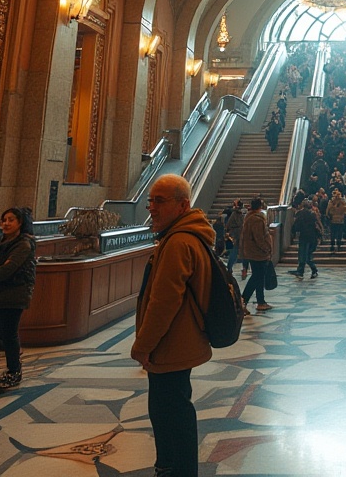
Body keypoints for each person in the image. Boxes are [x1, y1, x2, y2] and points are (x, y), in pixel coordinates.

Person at [131, 174, 215, 477]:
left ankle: (177, 469)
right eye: (150, 199)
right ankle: (167, 465)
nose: (151, 207)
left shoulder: (179, 242)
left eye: (160, 201)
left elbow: (163, 302)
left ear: (183, 205)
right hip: (179, 341)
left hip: (172, 344)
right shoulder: (185, 236)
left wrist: (143, 345)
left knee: (173, 414)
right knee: (168, 410)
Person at [0, 206, 37, 390]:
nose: (6, 223)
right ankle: (14, 353)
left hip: (15, 295)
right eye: (4, 220)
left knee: (10, 334)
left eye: (11, 220)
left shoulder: (23, 245)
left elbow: (5, 271)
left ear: (20, 223)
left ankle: (14, 370)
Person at [239, 197, 274, 314]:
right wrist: (267, 249)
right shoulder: (257, 220)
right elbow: (259, 238)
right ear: (259, 206)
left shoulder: (249, 217)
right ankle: (242, 301)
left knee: (259, 278)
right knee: (256, 278)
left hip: (252, 252)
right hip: (258, 253)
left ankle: (261, 302)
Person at [290, 199, 322, 279]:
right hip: (312, 237)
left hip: (304, 236)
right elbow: (317, 224)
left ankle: (301, 271)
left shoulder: (300, 213)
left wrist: (293, 232)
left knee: (302, 254)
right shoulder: (313, 214)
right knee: (308, 255)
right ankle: (313, 270)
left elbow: (296, 225)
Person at [327, 189, 346, 253]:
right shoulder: (343, 202)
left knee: (333, 234)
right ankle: (338, 245)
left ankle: (332, 246)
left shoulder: (331, 202)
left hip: (333, 220)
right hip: (340, 220)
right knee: (339, 233)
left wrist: (329, 216)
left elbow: (328, 210)